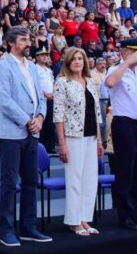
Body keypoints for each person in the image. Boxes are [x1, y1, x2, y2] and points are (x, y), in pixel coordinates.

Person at [0, 26, 51, 247]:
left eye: (29, 40)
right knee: (9, 182)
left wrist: (41, 118)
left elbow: (41, 97)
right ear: (10, 42)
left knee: (31, 181)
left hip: (33, 131)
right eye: (24, 40)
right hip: (12, 133)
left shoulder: (33, 67)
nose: (29, 44)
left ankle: (28, 227)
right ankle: (6, 229)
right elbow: (4, 100)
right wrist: (28, 120)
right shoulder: (2, 66)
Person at [104, 38, 137, 230]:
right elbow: (109, 83)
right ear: (126, 53)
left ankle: (136, 213)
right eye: (136, 51)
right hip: (125, 125)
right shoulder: (116, 69)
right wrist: (126, 63)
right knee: (126, 170)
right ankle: (124, 214)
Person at [53, 48, 102, 235]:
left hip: (91, 136)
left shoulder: (90, 82)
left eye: (80, 58)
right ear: (67, 62)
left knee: (90, 180)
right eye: (73, 59)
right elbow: (58, 115)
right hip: (73, 136)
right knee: (75, 179)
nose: (77, 62)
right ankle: (74, 221)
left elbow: (97, 113)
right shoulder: (62, 82)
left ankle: (84, 218)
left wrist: (99, 140)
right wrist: (62, 143)